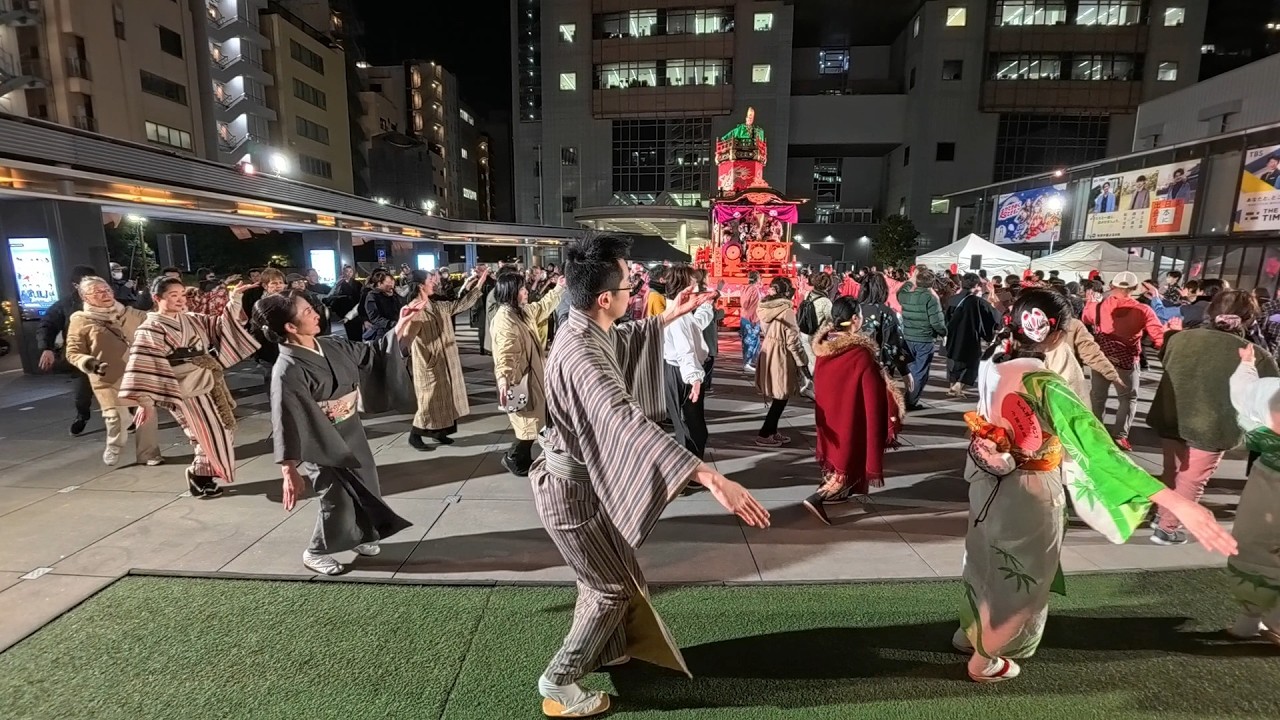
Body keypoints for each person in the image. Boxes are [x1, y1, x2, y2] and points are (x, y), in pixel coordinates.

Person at [530, 233, 769, 718]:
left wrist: (669, 316)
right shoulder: (583, 355)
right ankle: (558, 679)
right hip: (570, 492)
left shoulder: (584, 329)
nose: (634, 291)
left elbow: (625, 337)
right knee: (608, 587)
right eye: (629, 285)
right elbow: (623, 421)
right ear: (604, 298)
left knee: (617, 575)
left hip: (580, 485)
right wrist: (707, 476)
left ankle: (610, 647)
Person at [955, 288, 1237, 683]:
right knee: (1022, 577)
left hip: (986, 482)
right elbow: (1101, 453)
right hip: (1029, 489)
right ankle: (985, 658)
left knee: (983, 558)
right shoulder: (1047, 385)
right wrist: (1177, 500)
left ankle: (969, 633)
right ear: (1056, 333)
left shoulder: (994, 362)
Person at [255, 290, 422, 575]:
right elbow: (285, 418)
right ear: (290, 328)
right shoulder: (287, 369)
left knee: (367, 482)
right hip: (320, 436)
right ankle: (316, 550)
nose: (316, 313)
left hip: (350, 426)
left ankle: (364, 535)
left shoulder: (331, 345)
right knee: (337, 496)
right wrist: (289, 471)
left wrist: (400, 326)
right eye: (307, 311)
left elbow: (373, 353)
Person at [1147, 290, 1278, 545]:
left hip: (1172, 415)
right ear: (1249, 318)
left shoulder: (1182, 338)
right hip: (1213, 425)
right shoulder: (1257, 355)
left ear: (1211, 311)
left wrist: (1173, 333)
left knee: (1172, 471)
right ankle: (1167, 528)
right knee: (1192, 479)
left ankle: (1162, 513)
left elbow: (1166, 357)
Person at [119, 276, 260, 497]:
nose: (179, 299)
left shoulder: (191, 319)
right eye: (173, 295)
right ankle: (199, 475)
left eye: (182, 294)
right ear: (157, 298)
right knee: (207, 432)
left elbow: (223, 324)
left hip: (206, 380)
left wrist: (234, 299)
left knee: (223, 428)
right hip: (180, 387)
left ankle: (201, 475)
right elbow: (143, 364)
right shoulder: (150, 328)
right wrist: (145, 402)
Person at [804, 297, 904, 524]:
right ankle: (818, 497)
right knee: (846, 462)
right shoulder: (858, 353)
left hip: (829, 415)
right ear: (855, 319)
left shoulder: (824, 347)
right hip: (850, 416)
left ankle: (836, 492)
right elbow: (872, 391)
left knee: (834, 458)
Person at [64, 276, 162, 467]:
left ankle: (148, 454)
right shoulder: (80, 319)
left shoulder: (130, 313)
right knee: (117, 418)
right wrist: (90, 363)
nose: (105, 294)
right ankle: (114, 446)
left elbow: (158, 319)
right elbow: (73, 352)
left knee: (147, 414)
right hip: (106, 377)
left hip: (137, 373)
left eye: (107, 289)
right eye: (97, 292)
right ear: (85, 297)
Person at [1224, 344, 1280, 644]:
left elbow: (1243, 390)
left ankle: (1248, 620)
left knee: (1252, 548)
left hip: (1264, 484)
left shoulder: (1269, 392)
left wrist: (1247, 363)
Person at [404, 266, 489, 450]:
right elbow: (406, 339)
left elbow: (460, 305)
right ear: (421, 286)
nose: (434, 282)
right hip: (428, 362)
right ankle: (415, 435)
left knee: (444, 398)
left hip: (444, 359)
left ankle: (439, 433)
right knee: (429, 400)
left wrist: (480, 281)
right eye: (430, 280)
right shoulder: (414, 310)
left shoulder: (436, 305)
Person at [491, 269, 566, 476]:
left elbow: (542, 308)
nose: (526, 292)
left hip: (530, 376)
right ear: (512, 291)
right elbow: (506, 353)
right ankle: (514, 458)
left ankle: (520, 457)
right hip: (520, 380)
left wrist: (559, 287)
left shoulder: (520, 312)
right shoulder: (505, 319)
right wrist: (504, 380)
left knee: (532, 421)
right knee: (528, 422)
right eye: (522, 289)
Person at [1082, 271, 1164, 451]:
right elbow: (1158, 336)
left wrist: (1090, 302)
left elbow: (1086, 319)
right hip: (1127, 360)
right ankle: (1120, 435)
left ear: (1112, 286)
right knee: (1128, 398)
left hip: (1101, 357)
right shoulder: (1144, 310)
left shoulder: (1097, 306)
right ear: (1134, 288)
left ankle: (1097, 433)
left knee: (1097, 397)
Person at [37, 264, 100, 435]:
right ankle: (82, 416)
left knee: (120, 389)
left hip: (107, 353)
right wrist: (46, 348)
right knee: (82, 394)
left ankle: (129, 417)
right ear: (75, 285)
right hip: (80, 357)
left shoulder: (106, 298)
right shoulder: (66, 304)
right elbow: (47, 325)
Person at [661, 265, 714, 460]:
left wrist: (706, 304)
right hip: (682, 372)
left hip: (680, 370)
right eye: (694, 284)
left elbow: (696, 325)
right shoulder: (679, 316)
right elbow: (685, 351)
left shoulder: (679, 311)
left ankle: (690, 471)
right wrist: (695, 379)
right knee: (691, 427)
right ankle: (689, 473)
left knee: (690, 425)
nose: (698, 288)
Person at [755, 276, 810, 447]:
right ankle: (765, 433)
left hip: (768, 350)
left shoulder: (764, 307)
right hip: (781, 354)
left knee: (778, 394)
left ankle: (772, 431)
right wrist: (803, 362)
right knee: (782, 395)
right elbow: (793, 341)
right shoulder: (786, 311)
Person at [898, 267, 948, 411]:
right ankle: (910, 401)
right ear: (932, 283)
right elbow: (937, 322)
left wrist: (910, 280)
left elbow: (900, 292)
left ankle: (907, 396)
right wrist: (943, 332)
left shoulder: (907, 295)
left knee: (910, 368)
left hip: (907, 337)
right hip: (924, 339)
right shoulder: (931, 298)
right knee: (920, 372)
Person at [944, 273, 1000, 398]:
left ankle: (952, 386)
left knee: (953, 360)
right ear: (976, 285)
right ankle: (958, 386)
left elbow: (945, 318)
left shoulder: (952, 299)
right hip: (969, 336)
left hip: (952, 336)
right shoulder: (977, 302)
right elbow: (993, 317)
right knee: (972, 363)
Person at [798, 272, 834, 374]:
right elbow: (830, 320)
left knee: (809, 358)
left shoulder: (808, 294)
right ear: (828, 286)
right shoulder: (825, 301)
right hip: (816, 334)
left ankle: (808, 381)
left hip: (804, 331)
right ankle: (815, 382)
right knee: (816, 361)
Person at [362, 269, 404, 341]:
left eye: (392, 281)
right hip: (382, 332)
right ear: (379, 284)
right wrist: (391, 324)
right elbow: (374, 317)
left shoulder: (395, 294)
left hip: (397, 329)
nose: (391, 284)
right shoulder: (373, 295)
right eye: (388, 282)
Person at [326, 265, 364, 341]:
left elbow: (361, 296)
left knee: (358, 330)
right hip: (345, 309)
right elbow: (334, 294)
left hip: (355, 308)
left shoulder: (357, 284)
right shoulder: (339, 283)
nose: (349, 273)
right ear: (343, 272)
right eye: (347, 271)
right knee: (349, 330)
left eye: (350, 271)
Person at [739, 271, 763, 372]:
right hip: (751, 318)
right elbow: (745, 304)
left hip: (749, 318)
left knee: (753, 341)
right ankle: (747, 362)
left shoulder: (746, 288)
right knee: (750, 341)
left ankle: (751, 361)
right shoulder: (752, 289)